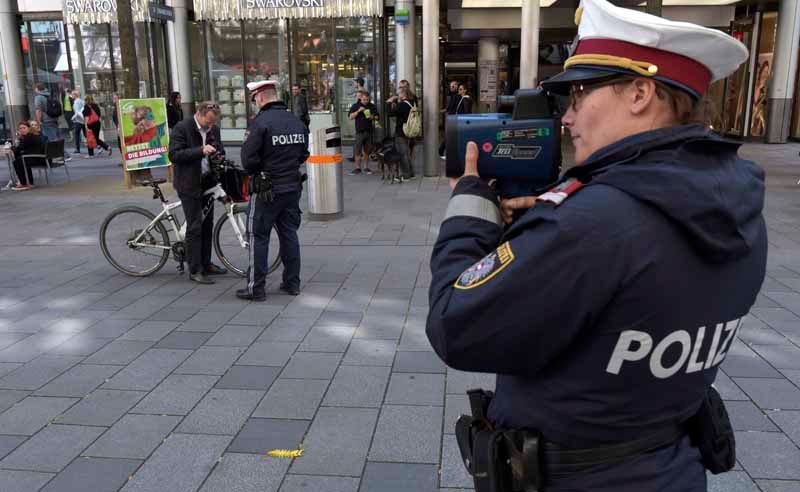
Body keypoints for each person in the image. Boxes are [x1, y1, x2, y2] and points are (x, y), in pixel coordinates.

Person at [426, 1, 765, 491]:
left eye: (580, 94)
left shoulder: (594, 223)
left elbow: (455, 325)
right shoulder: (737, 203)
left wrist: (471, 206)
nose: (566, 117)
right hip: (672, 468)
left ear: (640, 93)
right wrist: (538, 236)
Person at [236, 80, 309, 302]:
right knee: (289, 234)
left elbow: (248, 160)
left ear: (260, 97)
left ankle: (255, 288)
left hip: (267, 189)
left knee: (258, 236)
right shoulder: (295, 121)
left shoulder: (259, 123)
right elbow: (303, 154)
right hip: (292, 186)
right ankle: (292, 284)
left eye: (255, 99)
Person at [168, 101, 229, 284]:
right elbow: (174, 155)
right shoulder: (182, 128)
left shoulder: (213, 129)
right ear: (199, 114)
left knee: (207, 224)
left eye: (213, 123)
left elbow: (220, 148)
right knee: (195, 227)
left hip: (207, 182)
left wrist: (220, 154)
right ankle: (195, 270)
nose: (210, 126)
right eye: (208, 122)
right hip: (188, 183)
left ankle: (206, 262)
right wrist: (201, 150)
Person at [348, 90, 379, 175]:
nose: (365, 101)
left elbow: (377, 117)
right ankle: (357, 168)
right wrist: (358, 111)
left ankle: (366, 167)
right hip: (359, 131)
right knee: (358, 151)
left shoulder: (372, 106)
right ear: (360, 98)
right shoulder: (356, 106)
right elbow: (350, 117)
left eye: (367, 100)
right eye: (364, 99)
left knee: (367, 151)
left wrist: (372, 117)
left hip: (369, 131)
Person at [387, 87, 415, 180]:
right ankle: (411, 173)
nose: (397, 95)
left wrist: (389, 102)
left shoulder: (402, 104)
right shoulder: (411, 102)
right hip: (409, 130)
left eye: (398, 94)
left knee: (402, 154)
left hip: (401, 131)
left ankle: (406, 175)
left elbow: (390, 114)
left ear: (403, 94)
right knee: (406, 152)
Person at [11, 121, 45, 191]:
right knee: (20, 159)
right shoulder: (34, 134)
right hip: (41, 158)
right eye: (20, 128)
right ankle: (29, 182)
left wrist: (13, 147)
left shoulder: (29, 136)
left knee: (17, 162)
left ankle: (24, 183)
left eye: (24, 128)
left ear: (29, 128)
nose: (22, 130)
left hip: (38, 159)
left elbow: (19, 148)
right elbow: (23, 148)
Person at [439, 80, 460, 156]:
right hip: (452, 117)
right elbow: (450, 107)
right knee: (450, 134)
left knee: (449, 134)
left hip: (454, 117)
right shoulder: (452, 95)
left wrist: (444, 110)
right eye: (451, 86)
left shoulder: (456, 96)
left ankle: (441, 149)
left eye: (453, 86)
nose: (451, 87)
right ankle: (442, 150)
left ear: (457, 87)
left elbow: (451, 107)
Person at [71, 90, 86, 155]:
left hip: (78, 120)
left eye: (72, 94)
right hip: (83, 120)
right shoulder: (82, 101)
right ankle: (98, 145)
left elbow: (77, 112)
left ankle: (77, 149)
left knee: (76, 134)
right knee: (86, 134)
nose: (71, 95)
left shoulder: (76, 102)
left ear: (75, 95)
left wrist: (73, 118)